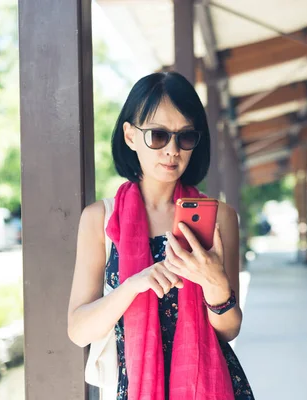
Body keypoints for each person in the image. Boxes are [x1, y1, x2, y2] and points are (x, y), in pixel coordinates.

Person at [67, 72, 254, 400]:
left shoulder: (220, 217)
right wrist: (133, 286)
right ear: (129, 135)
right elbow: (79, 330)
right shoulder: (100, 219)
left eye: (185, 137)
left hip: (212, 387)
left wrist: (214, 283)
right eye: (157, 135)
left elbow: (228, 330)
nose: (172, 150)